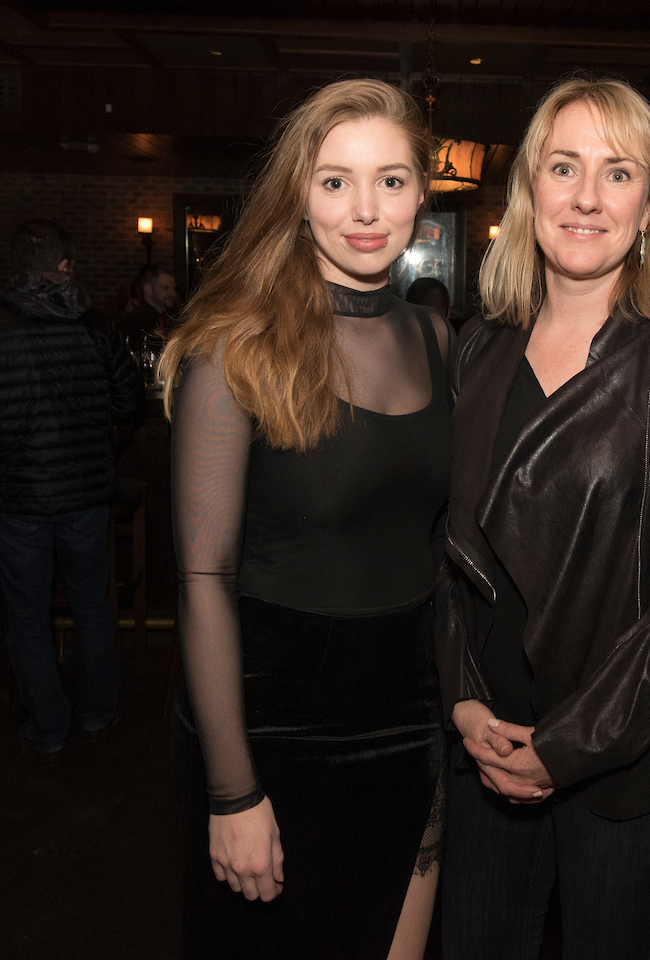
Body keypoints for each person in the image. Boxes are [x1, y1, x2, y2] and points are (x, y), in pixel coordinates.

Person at [436, 76, 650, 960]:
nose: (586, 197)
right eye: (564, 167)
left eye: (618, 173)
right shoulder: (480, 345)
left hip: (631, 768)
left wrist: (572, 743)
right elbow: (444, 551)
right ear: (529, 192)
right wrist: (461, 697)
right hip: (486, 746)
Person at [159, 78, 450, 960]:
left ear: (422, 196)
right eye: (335, 182)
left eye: (391, 181)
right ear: (299, 196)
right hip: (270, 726)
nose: (366, 210)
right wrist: (232, 790)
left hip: (407, 718)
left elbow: (441, 547)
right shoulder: (233, 349)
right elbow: (204, 579)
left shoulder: (439, 341)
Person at [0, 219, 144, 763]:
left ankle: (48, 727)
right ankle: (98, 713)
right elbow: (130, 403)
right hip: (85, 496)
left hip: (19, 501)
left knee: (28, 616)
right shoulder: (94, 325)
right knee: (91, 605)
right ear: (65, 267)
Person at [119, 263, 177, 338]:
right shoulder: (138, 322)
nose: (173, 293)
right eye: (165, 288)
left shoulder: (169, 318)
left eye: (174, 288)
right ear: (148, 289)